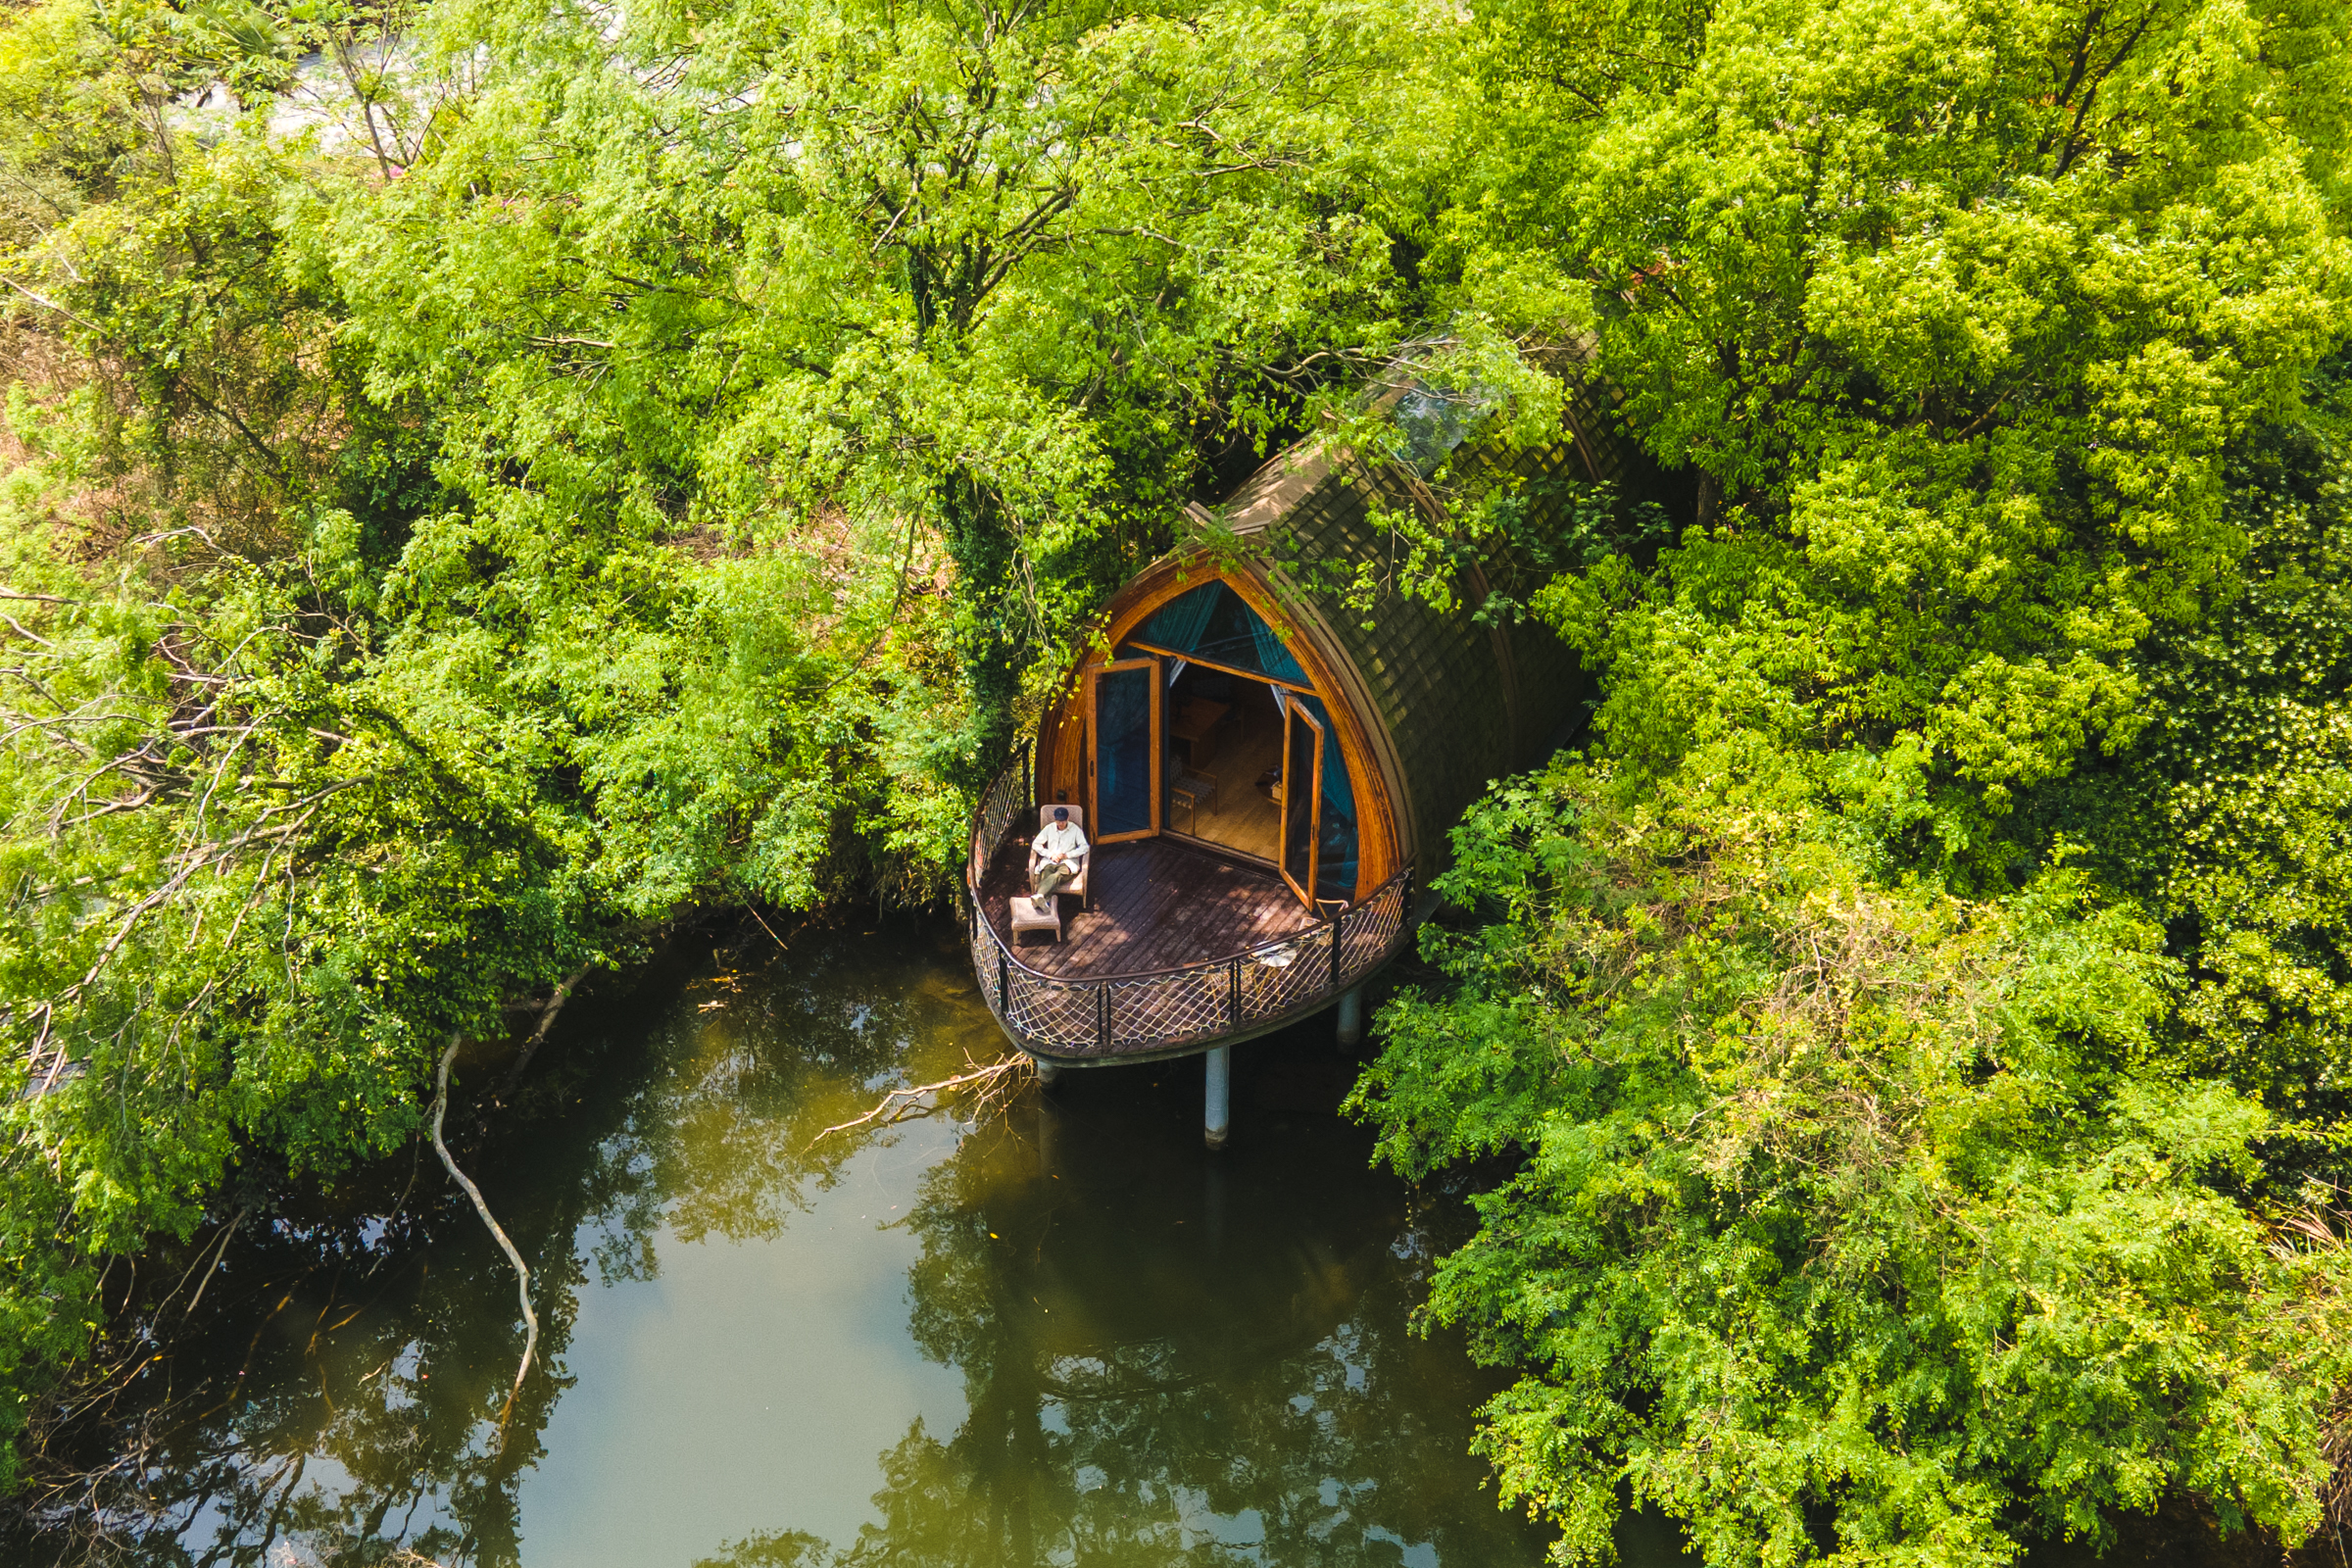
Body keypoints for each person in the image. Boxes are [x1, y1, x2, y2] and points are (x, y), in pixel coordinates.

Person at [1029, 806, 1089, 909]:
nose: (1060, 824)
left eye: (1063, 821)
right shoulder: (1049, 828)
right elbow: (1036, 844)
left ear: (1068, 819)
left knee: (1057, 876)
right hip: (1050, 862)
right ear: (1055, 819)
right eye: (1058, 821)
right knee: (1046, 873)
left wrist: (1067, 855)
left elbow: (1085, 847)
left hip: (1067, 863)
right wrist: (1050, 854)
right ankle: (1044, 901)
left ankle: (1039, 895)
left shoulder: (1075, 830)